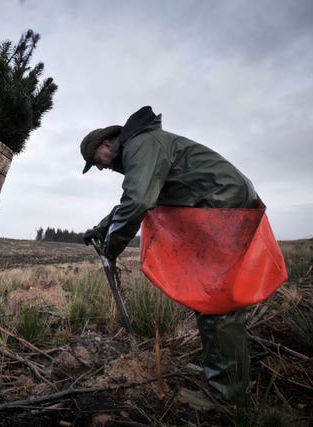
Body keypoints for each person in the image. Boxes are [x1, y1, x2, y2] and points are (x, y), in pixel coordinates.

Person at [80, 106, 259, 403]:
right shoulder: (143, 148)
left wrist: (112, 246)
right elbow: (135, 197)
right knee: (210, 297)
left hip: (222, 207)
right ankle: (221, 373)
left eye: (94, 161)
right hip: (220, 204)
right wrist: (101, 227)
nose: (98, 167)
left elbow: (138, 201)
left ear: (107, 145)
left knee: (218, 300)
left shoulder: (141, 145)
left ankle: (227, 393)